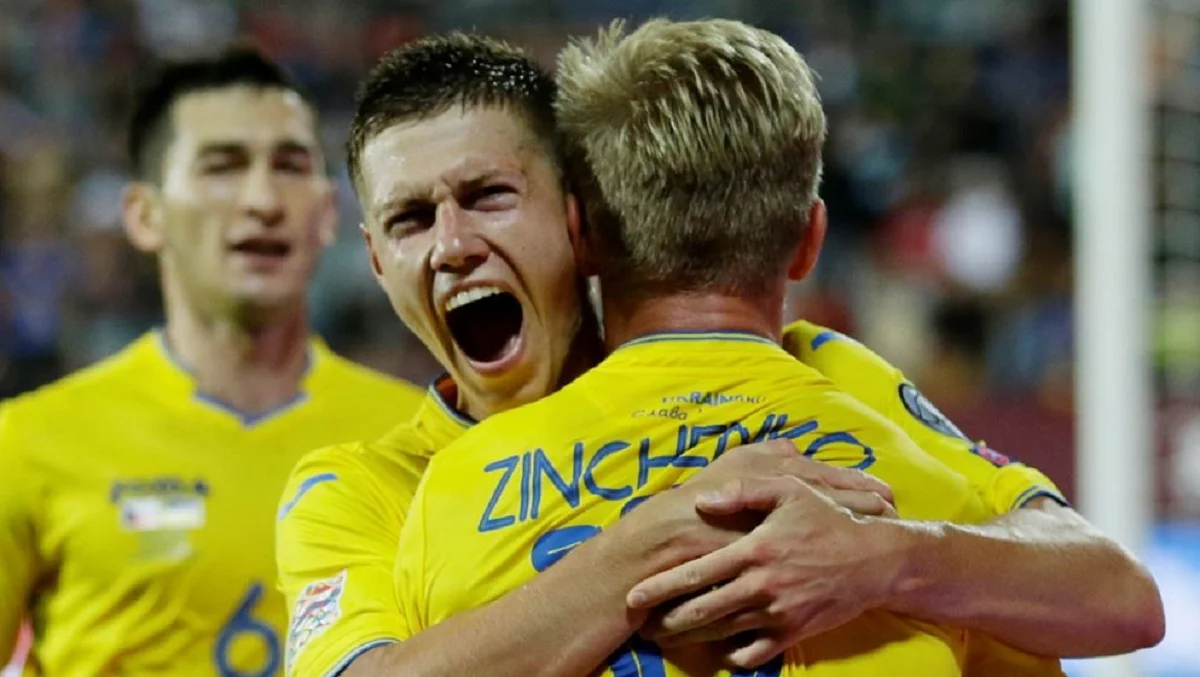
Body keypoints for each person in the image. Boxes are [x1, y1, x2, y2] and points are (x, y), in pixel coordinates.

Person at [277, 31, 1162, 677]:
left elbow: (1114, 588)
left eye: (487, 196)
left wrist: (885, 555)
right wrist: (645, 543)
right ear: (375, 258)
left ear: (577, 218)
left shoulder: (817, 365)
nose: (452, 245)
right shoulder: (362, 488)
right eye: (410, 219)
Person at [0, 47, 424, 676]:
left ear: (328, 212)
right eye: (222, 166)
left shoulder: (418, 437)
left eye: (290, 165)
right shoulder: (29, 442)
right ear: (145, 215)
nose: (263, 200)